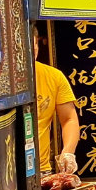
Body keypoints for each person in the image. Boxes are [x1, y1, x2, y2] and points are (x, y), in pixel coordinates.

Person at [33, 26, 80, 175]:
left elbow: (69, 119)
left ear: (37, 45)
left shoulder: (53, 76)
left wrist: (68, 152)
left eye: (33, 46)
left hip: (40, 170)